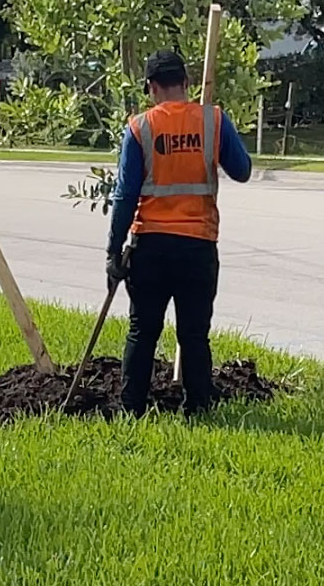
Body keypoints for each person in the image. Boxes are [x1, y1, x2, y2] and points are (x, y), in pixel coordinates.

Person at [106, 51, 252, 417]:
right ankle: (198, 407)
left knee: (142, 331)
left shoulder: (140, 127)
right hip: (199, 247)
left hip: (151, 247)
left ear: (152, 87)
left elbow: (125, 196)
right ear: (186, 83)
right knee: (193, 333)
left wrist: (113, 250)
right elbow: (243, 170)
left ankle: (131, 409)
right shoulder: (213, 120)